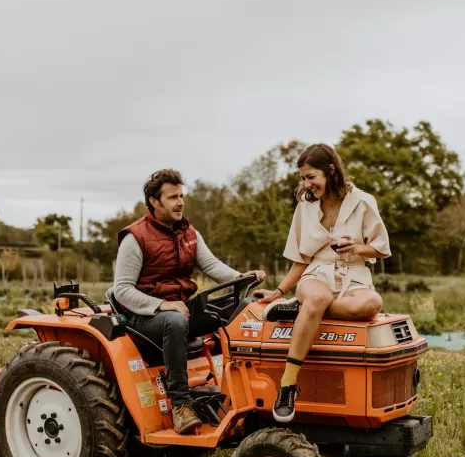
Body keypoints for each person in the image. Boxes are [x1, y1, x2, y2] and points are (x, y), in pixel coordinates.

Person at [114, 169, 265, 435]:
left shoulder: (188, 232)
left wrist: (244, 279)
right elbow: (122, 291)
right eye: (172, 197)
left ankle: (242, 392)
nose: (180, 202)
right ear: (154, 201)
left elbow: (211, 265)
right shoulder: (134, 238)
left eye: (181, 195)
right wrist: (162, 305)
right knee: (174, 321)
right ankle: (181, 406)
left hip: (180, 310)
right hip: (142, 317)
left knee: (241, 306)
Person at [255, 144, 390, 422]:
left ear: (331, 171)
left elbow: (380, 248)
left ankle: (302, 310)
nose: (307, 184)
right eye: (303, 178)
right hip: (316, 273)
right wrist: (279, 291)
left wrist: (355, 247)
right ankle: (288, 385)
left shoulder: (363, 201)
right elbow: (300, 257)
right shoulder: (305, 205)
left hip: (353, 274)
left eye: (311, 177)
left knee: (372, 304)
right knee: (317, 297)